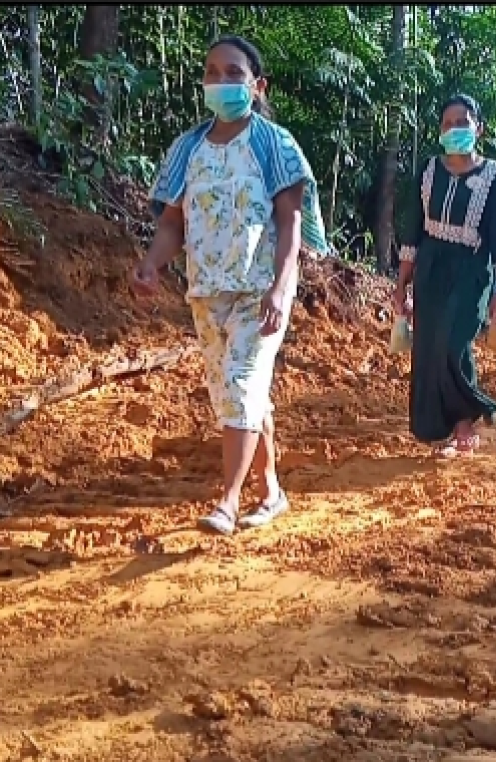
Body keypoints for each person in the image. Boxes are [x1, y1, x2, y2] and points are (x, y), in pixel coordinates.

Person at [131, 35, 328, 534]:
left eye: (233, 73)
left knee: (241, 388)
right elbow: (173, 224)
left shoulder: (273, 145)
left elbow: (291, 223)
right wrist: (152, 264)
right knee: (240, 398)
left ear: (257, 85)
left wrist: (282, 288)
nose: (221, 81)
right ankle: (272, 492)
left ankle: (229, 500)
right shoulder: (188, 149)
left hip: (258, 292)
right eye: (212, 72)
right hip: (205, 293)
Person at [392, 94, 496, 457]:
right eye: (448, 123)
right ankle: (446, 427)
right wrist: (402, 283)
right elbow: (413, 229)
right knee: (430, 348)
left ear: (478, 128)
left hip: (471, 269)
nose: (455, 129)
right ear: (439, 130)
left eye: (462, 122)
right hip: (431, 267)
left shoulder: (495, 175)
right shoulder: (428, 171)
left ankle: (466, 421)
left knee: (454, 343)